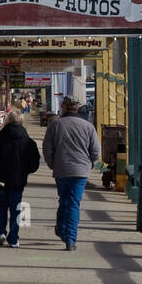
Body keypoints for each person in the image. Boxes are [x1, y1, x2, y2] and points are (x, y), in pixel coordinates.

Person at [42, 95, 99, 251]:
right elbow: (95, 151)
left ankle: (64, 232)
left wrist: (52, 164)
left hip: (61, 169)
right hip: (80, 171)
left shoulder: (55, 125)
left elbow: (47, 148)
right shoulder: (88, 127)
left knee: (65, 200)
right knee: (73, 203)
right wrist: (89, 165)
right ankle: (69, 238)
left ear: (64, 107)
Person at [0, 108, 40, 247]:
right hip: (18, 180)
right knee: (16, 208)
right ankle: (13, 239)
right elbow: (35, 162)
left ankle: (1, 232)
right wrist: (26, 171)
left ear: (7, 121)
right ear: (21, 122)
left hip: (1, 179)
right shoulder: (28, 141)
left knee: (2, 205)